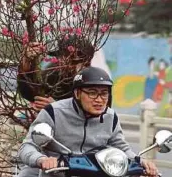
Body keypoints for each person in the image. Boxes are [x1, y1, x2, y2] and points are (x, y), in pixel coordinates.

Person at [18, 66, 158, 177]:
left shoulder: (110, 116)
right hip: (54, 173)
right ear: (77, 93)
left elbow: (121, 147)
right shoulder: (54, 112)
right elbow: (27, 147)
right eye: (92, 92)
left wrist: (140, 161)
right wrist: (42, 160)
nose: (99, 99)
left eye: (104, 93)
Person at [17, 35, 111, 112]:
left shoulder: (98, 81)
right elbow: (31, 94)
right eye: (61, 57)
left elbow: (97, 115)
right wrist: (25, 68)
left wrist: (57, 108)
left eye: (71, 59)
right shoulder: (54, 72)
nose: (63, 63)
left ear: (86, 62)